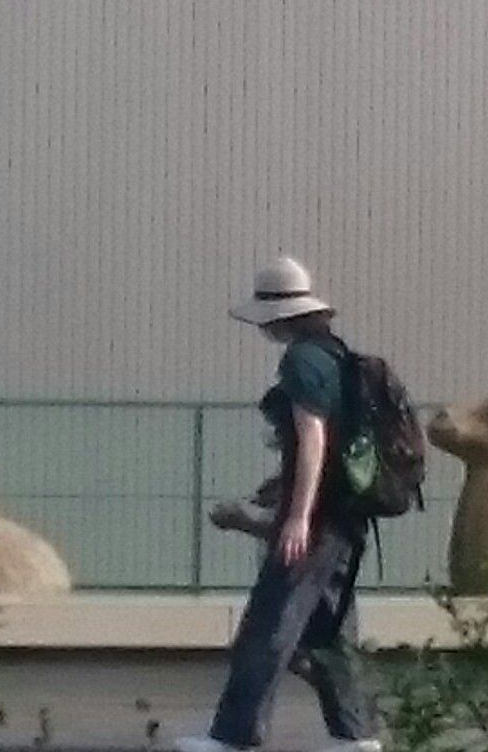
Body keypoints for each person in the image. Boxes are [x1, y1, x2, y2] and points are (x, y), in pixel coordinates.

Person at [176, 257, 380, 752]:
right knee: (329, 633)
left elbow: (313, 438)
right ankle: (356, 737)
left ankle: (234, 735)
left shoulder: (302, 362)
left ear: (279, 315)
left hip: (317, 520)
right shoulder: (337, 355)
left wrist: (297, 517)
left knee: (268, 627)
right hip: (346, 516)